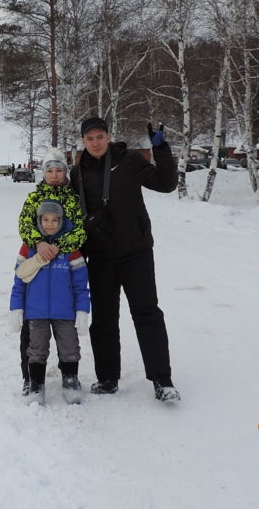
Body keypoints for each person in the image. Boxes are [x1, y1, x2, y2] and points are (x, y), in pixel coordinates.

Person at [70, 116, 180, 402]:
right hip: (101, 257)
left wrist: (161, 149)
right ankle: (107, 378)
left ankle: (162, 380)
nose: (95, 143)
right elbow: (65, 213)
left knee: (147, 313)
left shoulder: (129, 160)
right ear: (83, 142)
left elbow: (166, 183)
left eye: (100, 137)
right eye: (89, 138)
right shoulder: (77, 172)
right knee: (104, 320)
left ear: (108, 136)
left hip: (136, 251)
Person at [15, 147, 86, 395]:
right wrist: (39, 243)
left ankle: (70, 377)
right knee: (33, 329)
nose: (54, 175)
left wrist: (57, 247)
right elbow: (24, 224)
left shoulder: (72, 198)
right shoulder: (34, 198)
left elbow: (79, 229)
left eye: (59, 170)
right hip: (37, 261)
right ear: (43, 174)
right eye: (50, 171)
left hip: (64, 261)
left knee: (65, 328)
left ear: (65, 173)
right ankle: (31, 379)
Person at [10, 200, 90, 404]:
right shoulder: (28, 247)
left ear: (61, 221)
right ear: (38, 220)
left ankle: (71, 381)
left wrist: (82, 310)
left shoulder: (71, 248)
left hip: (65, 311)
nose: (50, 224)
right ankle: (36, 386)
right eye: (45, 219)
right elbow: (19, 281)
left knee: (70, 347)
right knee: (36, 350)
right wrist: (16, 307)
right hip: (35, 311)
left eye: (55, 220)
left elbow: (81, 284)